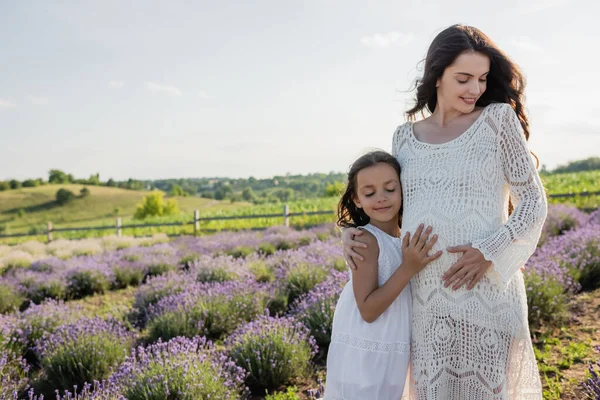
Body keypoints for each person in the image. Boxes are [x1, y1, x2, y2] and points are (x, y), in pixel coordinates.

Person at [341, 25, 547, 399]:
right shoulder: (404, 137)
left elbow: (534, 201)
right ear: (437, 76)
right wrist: (353, 231)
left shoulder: (498, 121)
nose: (475, 89)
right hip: (427, 301)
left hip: (487, 296)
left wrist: (489, 251)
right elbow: (392, 206)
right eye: (463, 78)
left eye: (482, 79)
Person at [324, 150, 442, 399]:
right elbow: (367, 310)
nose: (381, 198)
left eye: (390, 188)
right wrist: (408, 268)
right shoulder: (365, 240)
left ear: (404, 189)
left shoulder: (403, 237)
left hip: (393, 343)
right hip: (367, 348)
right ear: (357, 199)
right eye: (369, 193)